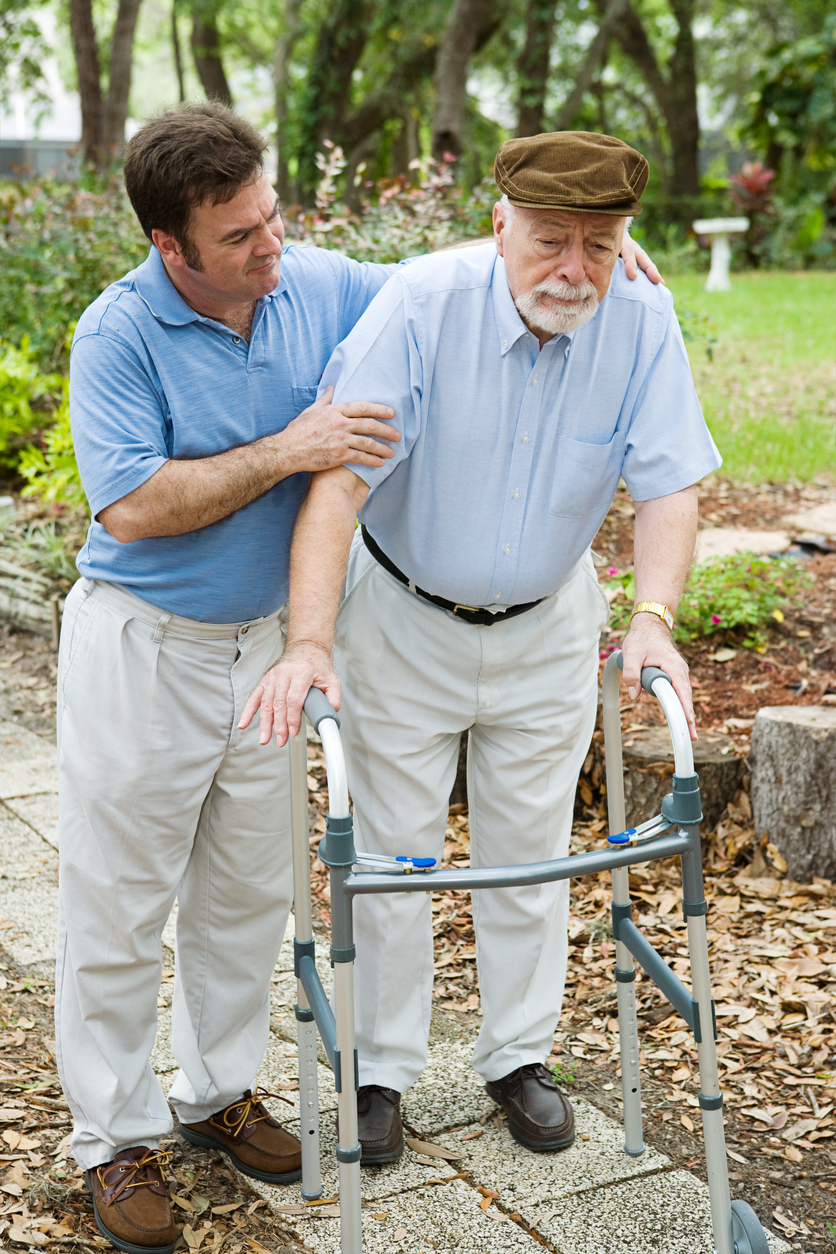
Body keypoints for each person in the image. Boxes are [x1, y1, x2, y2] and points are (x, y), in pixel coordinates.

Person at [58, 103, 659, 1252]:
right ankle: (112, 1136)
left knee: (243, 897)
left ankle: (214, 1094)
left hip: (265, 650)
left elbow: (465, 273)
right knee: (120, 902)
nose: (269, 250)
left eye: (272, 219)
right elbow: (132, 506)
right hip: (145, 643)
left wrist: (588, 246)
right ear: (170, 247)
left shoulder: (309, 282)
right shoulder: (117, 335)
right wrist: (294, 447)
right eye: (237, 239)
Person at [242, 130, 721, 1166]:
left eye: (598, 246)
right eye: (550, 240)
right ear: (496, 225)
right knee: (392, 853)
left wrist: (652, 619)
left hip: (546, 622)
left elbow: (669, 480)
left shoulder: (639, 318)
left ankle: (515, 1056)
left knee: (528, 854)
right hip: (404, 617)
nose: (572, 270)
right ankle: (379, 1070)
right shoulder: (421, 307)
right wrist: (311, 640)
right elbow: (340, 483)